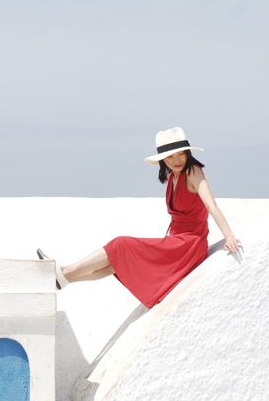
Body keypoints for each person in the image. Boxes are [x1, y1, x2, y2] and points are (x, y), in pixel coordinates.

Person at [38, 127, 242, 309]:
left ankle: (66, 271)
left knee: (120, 245)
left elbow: (211, 204)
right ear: (163, 159)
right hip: (176, 241)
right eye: (171, 157)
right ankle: (66, 278)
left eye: (181, 154)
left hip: (190, 244)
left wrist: (229, 236)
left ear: (187, 153)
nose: (177, 160)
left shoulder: (193, 172)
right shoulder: (172, 177)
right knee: (115, 263)